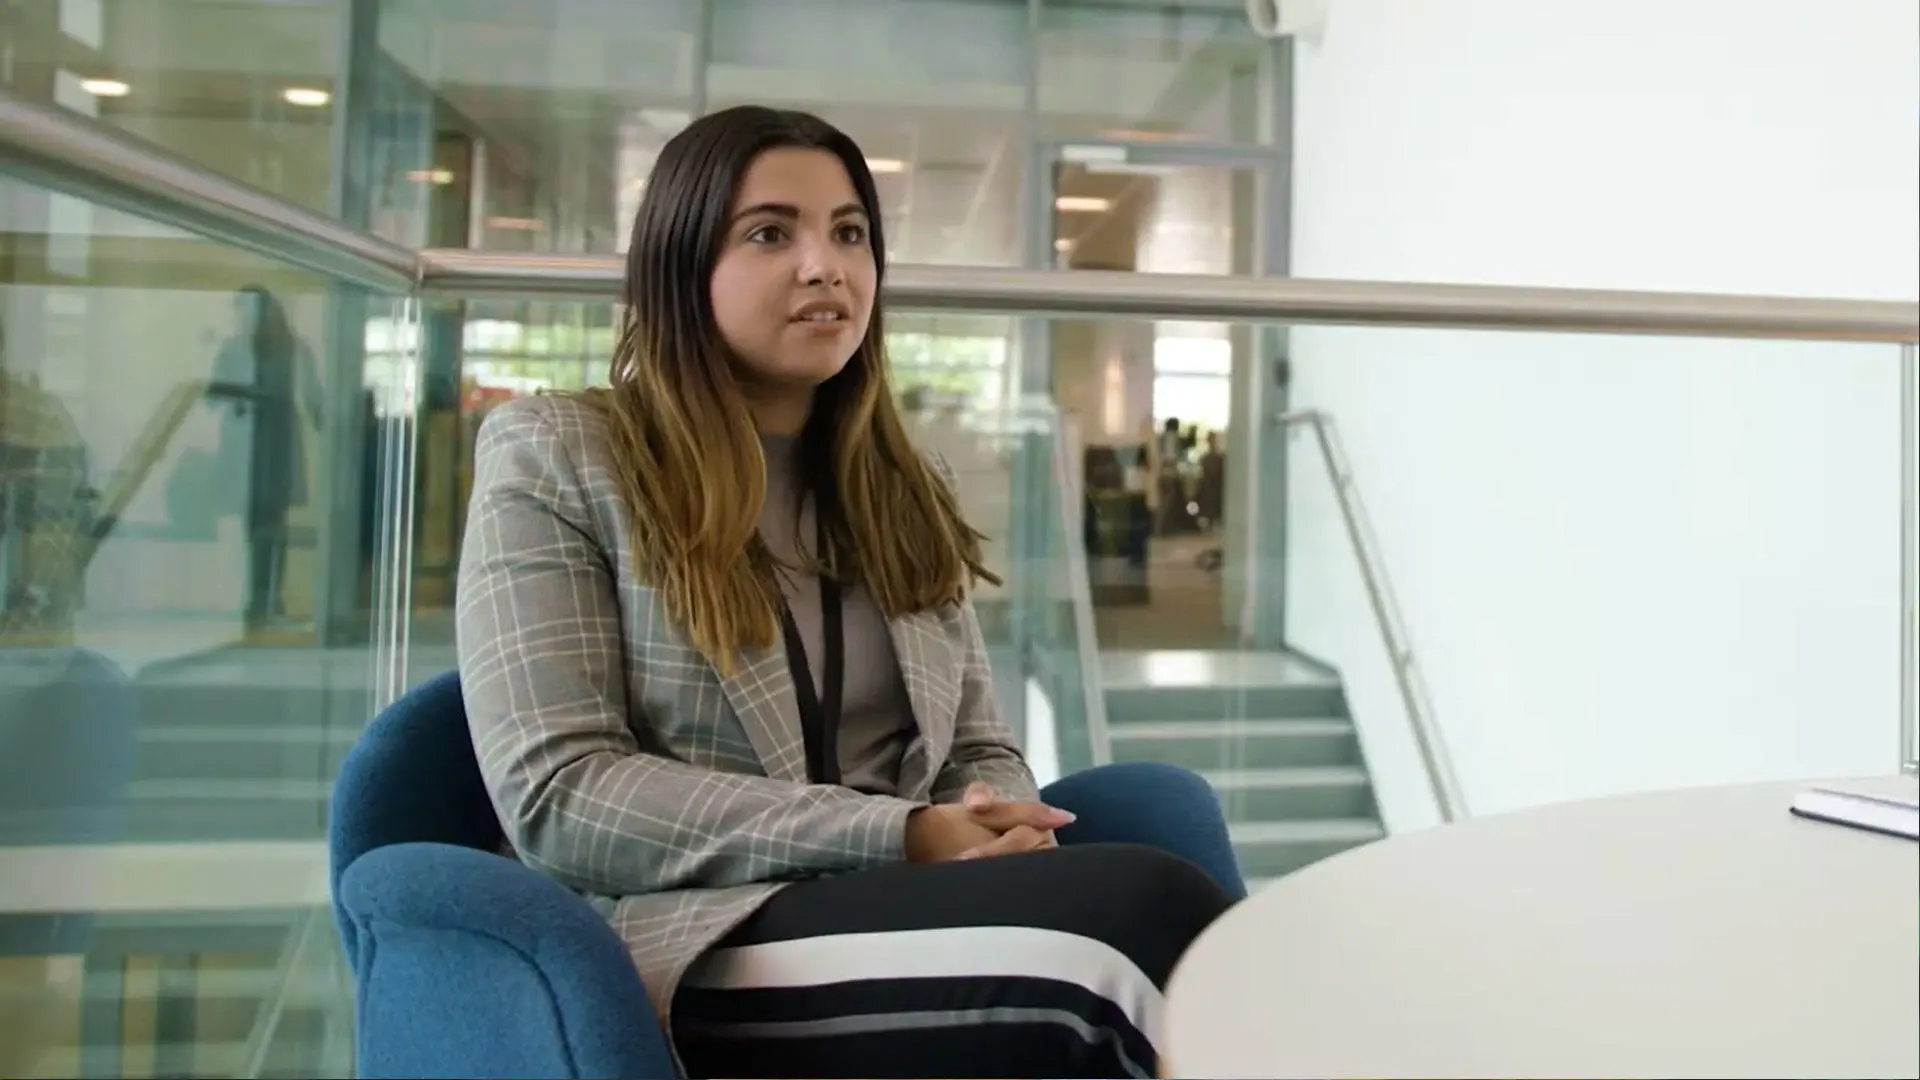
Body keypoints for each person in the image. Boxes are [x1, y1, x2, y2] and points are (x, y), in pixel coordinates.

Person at [455, 105, 1237, 1080]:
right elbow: (559, 792)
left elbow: (977, 741)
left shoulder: (898, 481)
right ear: (681, 262)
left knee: (1192, 932)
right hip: (699, 937)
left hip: (908, 903)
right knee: (1139, 924)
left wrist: (990, 831)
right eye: (771, 232)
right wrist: (900, 836)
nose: (825, 266)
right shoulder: (558, 454)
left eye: (851, 233)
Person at [207, 285, 321, 626]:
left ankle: (268, 598)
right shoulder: (234, 348)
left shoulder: (292, 348)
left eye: (245, 309)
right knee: (257, 524)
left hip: (274, 442)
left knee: (270, 524)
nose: (241, 317)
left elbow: (313, 397)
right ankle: (259, 598)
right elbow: (212, 396)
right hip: (248, 441)